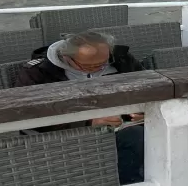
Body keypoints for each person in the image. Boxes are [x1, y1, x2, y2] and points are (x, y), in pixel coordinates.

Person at [12, 31, 145, 184]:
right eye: (89, 66)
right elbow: (31, 115)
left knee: (149, 132)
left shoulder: (122, 59)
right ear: (66, 57)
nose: (98, 69)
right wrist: (88, 123)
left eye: (104, 63)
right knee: (136, 138)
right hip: (65, 132)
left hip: (120, 123)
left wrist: (143, 112)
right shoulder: (38, 72)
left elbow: (148, 90)